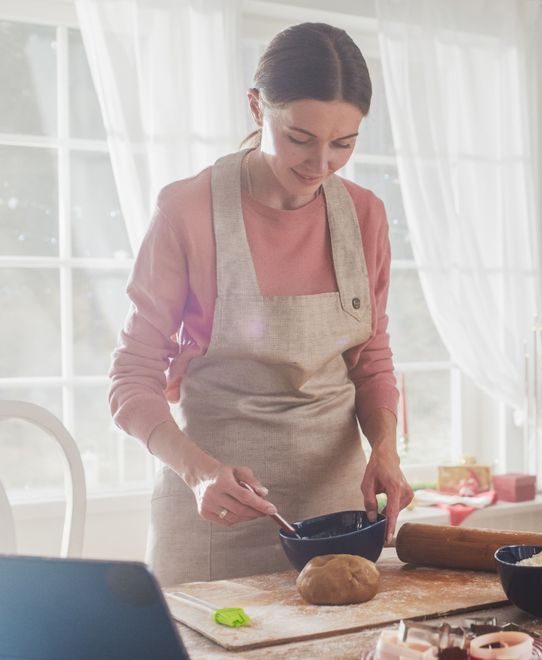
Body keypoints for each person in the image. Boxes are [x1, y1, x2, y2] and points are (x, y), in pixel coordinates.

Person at [109, 22, 413, 586]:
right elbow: (130, 380)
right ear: (256, 107)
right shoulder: (187, 210)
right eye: (300, 137)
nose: (321, 163)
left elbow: (371, 360)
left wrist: (387, 452)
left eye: (343, 143)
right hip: (212, 522)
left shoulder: (365, 216)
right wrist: (198, 474)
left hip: (337, 525)